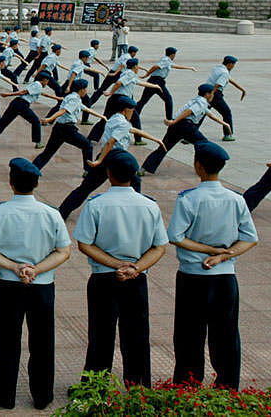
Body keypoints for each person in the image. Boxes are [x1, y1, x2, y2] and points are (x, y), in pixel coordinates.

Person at [0, 158, 71, 410]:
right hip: (42, 285)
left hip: (9, 285)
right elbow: (64, 251)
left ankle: (5, 393)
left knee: (6, 339)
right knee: (43, 341)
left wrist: (14, 267)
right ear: (36, 184)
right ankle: (42, 395)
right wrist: (36, 269)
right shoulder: (51, 214)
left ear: (11, 182)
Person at [73, 149, 168, 387]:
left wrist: (116, 264)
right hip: (136, 279)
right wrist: (135, 268)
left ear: (109, 174)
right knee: (137, 335)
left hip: (104, 277)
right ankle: (138, 386)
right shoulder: (149, 206)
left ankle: (94, 387)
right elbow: (159, 247)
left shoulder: (96, 205)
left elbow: (84, 244)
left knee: (100, 335)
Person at [167, 142, 258, 390]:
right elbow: (250, 238)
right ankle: (227, 387)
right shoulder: (236, 199)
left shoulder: (189, 199)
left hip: (192, 276)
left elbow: (175, 236)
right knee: (226, 334)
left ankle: (187, 385)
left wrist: (209, 251)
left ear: (198, 166)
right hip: (225, 277)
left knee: (189, 335)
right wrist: (222, 257)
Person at [140, 84, 231, 175]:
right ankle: (204, 167)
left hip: (176, 127)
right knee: (203, 143)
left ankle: (143, 169)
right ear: (207, 94)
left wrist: (225, 124)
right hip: (185, 126)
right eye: (212, 93)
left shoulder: (198, 100)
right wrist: (174, 121)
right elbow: (189, 111)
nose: (213, 96)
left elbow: (210, 114)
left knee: (164, 147)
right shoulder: (202, 102)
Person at [34, 79, 105, 173]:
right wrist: (49, 119)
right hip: (67, 130)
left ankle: (32, 169)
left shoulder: (72, 97)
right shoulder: (74, 99)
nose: (86, 91)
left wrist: (102, 117)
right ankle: (88, 171)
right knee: (87, 145)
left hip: (59, 128)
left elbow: (86, 109)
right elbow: (64, 110)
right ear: (81, 90)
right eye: (86, 89)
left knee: (48, 153)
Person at [136, 47, 196, 120]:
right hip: (157, 81)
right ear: (172, 55)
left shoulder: (167, 60)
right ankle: (169, 118)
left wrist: (189, 68)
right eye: (174, 54)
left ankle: (134, 115)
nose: (175, 56)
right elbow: (156, 66)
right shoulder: (166, 60)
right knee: (168, 99)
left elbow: (176, 66)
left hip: (154, 81)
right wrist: (147, 74)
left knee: (143, 100)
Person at [206, 55, 246, 141]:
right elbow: (217, 85)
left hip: (206, 92)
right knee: (226, 113)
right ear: (230, 64)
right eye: (233, 64)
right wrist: (211, 97)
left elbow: (229, 79)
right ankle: (227, 134)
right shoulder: (225, 73)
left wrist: (242, 89)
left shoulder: (218, 68)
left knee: (201, 112)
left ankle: (188, 135)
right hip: (215, 94)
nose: (233, 67)